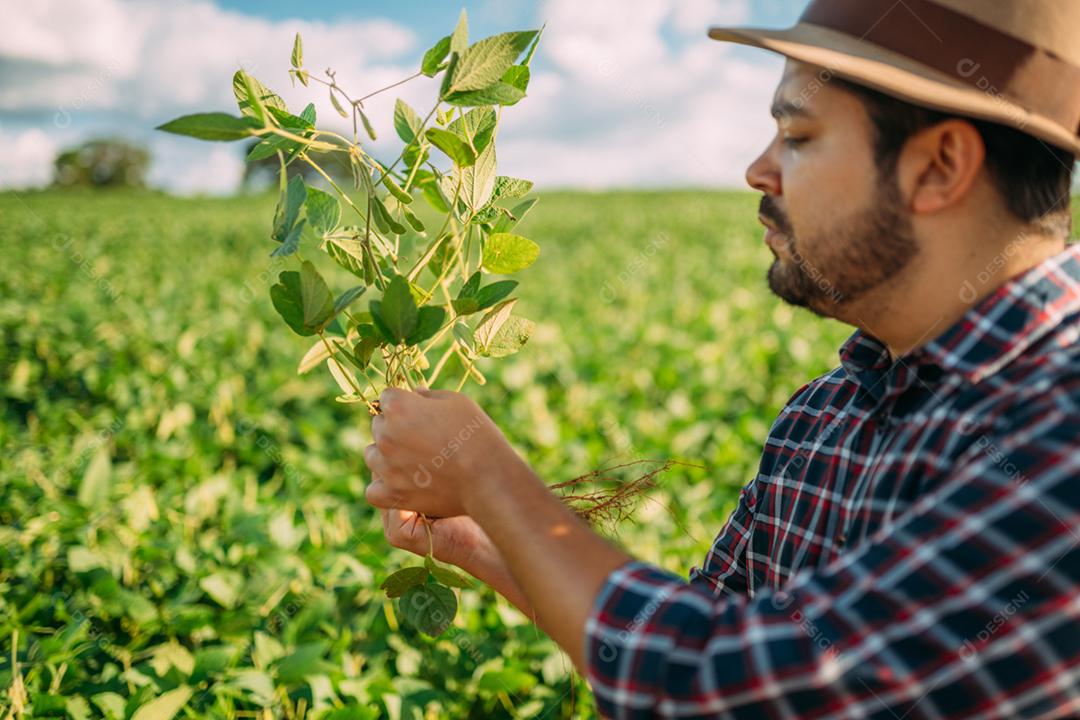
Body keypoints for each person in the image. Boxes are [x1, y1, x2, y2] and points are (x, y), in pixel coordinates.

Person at [363, 0, 1080, 716]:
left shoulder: (1062, 429)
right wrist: (489, 541)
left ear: (939, 166)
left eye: (798, 136)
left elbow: (732, 690)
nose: (756, 171)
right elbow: (691, 641)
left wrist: (492, 480)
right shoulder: (825, 416)